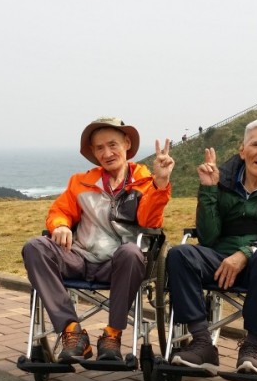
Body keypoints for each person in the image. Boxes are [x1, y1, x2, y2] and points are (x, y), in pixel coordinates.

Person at [22, 116, 175, 363]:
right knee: (35, 247)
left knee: (130, 251)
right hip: (79, 258)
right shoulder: (80, 182)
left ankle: (112, 335)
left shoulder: (146, 182)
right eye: (100, 148)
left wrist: (161, 182)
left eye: (113, 145)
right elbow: (60, 211)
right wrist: (60, 225)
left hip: (122, 265)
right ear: (93, 152)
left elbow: (150, 221)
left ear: (127, 144)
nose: (107, 153)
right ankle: (72, 333)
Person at [165, 117, 257, 376]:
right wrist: (209, 190)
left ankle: (253, 347)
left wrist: (246, 253)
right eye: (256, 144)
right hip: (221, 259)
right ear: (242, 150)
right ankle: (202, 342)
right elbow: (208, 238)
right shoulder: (223, 180)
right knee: (179, 254)